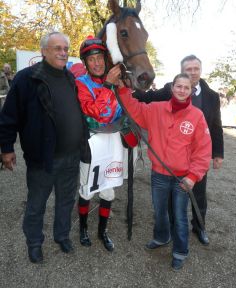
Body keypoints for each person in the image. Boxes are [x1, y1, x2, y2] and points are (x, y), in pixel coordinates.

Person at [0, 32, 89, 263]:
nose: (62, 52)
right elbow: (8, 117)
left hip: (71, 156)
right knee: (37, 203)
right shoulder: (26, 78)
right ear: (43, 51)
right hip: (43, 158)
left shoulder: (70, 78)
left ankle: (62, 236)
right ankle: (34, 243)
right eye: (57, 48)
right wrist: (6, 148)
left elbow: (75, 112)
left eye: (65, 48)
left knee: (66, 201)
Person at [108, 72, 211, 270]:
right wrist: (121, 88)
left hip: (183, 178)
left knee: (180, 216)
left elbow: (203, 150)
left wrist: (192, 177)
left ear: (191, 90)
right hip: (159, 175)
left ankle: (180, 251)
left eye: (186, 87)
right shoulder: (156, 109)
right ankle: (162, 237)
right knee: (160, 211)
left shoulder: (197, 116)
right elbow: (134, 108)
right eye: (178, 86)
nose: (182, 90)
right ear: (172, 88)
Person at [133, 55, 224, 245]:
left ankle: (199, 228)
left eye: (195, 68)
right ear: (182, 71)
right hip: (173, 160)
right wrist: (129, 87)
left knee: (198, 196)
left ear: (200, 70)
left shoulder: (212, 96)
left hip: (197, 157)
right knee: (171, 203)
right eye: (188, 69)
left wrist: (218, 154)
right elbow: (146, 98)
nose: (192, 72)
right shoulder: (170, 89)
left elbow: (216, 126)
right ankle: (169, 231)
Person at [75, 36, 138, 252]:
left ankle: (102, 231)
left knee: (109, 191)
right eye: (91, 59)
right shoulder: (80, 84)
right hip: (91, 145)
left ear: (105, 59)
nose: (97, 63)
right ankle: (83, 228)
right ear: (85, 63)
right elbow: (96, 113)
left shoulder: (117, 83)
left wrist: (121, 89)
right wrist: (109, 84)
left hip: (113, 145)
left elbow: (126, 110)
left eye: (100, 57)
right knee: (87, 190)